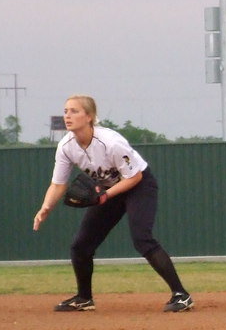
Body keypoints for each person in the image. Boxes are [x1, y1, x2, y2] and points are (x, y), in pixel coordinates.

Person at [32, 94, 193, 312]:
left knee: (142, 239)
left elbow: (134, 178)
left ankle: (181, 295)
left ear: (89, 117)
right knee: (81, 246)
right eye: (66, 111)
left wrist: (105, 196)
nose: (67, 116)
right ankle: (84, 298)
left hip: (139, 185)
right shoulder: (66, 146)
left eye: (74, 111)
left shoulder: (111, 142)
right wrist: (46, 207)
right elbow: (58, 184)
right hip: (109, 191)